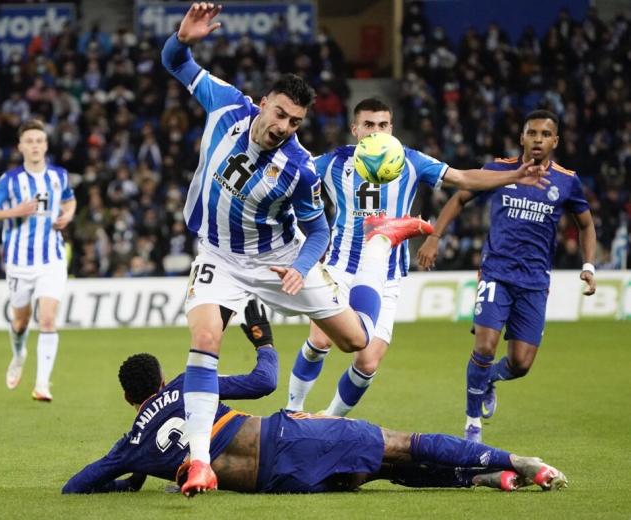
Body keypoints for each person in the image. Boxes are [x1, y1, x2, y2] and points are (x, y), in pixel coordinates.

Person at [159, 2, 439, 495]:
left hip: (282, 260)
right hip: (220, 255)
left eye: (295, 121)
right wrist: (183, 38)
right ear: (262, 102)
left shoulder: (300, 168)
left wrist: (301, 268)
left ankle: (380, 244)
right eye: (280, 113)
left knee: (356, 342)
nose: (284, 126)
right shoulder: (226, 104)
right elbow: (176, 64)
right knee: (205, 341)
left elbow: (318, 233)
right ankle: (200, 461)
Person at [62, 300, 568, 496]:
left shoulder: (131, 443)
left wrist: (129, 479)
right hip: (286, 437)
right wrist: (261, 337)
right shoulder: (187, 385)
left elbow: (75, 487)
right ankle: (518, 461)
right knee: (402, 444)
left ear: (132, 400)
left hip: (281, 484)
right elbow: (264, 380)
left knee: (381, 472)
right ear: (162, 378)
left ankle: (481, 476)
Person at [286, 98, 551, 416]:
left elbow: (463, 179)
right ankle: (292, 409)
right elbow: (289, 177)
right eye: (368, 125)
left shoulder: (410, 161)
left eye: (383, 125)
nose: (376, 132)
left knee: (368, 362)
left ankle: (328, 421)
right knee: (321, 339)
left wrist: (513, 176)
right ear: (355, 129)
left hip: (387, 274)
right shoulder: (332, 162)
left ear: (392, 128)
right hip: (341, 267)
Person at [417, 109, 597, 442]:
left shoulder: (567, 181)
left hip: (535, 281)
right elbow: (460, 198)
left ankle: (489, 381)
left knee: (521, 364)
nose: (538, 140)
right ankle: (472, 424)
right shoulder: (498, 169)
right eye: (532, 133)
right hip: (496, 273)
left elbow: (585, 224)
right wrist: (434, 236)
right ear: (522, 137)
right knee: (484, 346)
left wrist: (588, 265)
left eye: (545, 134)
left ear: (555, 140)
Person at [0, 119, 76, 402]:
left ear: (45, 145)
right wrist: (15, 212)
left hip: (52, 259)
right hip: (19, 261)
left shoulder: (59, 176)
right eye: (29, 141)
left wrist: (67, 215)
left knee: (47, 319)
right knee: (20, 322)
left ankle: (42, 384)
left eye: (39, 141)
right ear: (21, 146)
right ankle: (19, 353)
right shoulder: (10, 180)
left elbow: (69, 200)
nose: (35, 145)